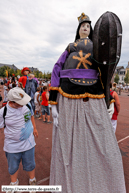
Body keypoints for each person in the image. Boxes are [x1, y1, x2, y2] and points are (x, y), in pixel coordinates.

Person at [49, 13, 126, 192]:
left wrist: (109, 100)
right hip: (69, 92)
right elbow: (56, 68)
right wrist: (53, 103)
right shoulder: (70, 47)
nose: (86, 28)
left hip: (95, 93)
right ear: (78, 29)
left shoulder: (98, 48)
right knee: (69, 139)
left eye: (88, 26)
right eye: (83, 25)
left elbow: (105, 71)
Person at [0, 87, 38, 193]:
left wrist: (34, 128)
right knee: (13, 167)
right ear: (12, 102)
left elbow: (31, 116)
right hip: (12, 145)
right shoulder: (3, 112)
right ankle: (14, 183)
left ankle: (32, 180)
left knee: (30, 164)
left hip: (28, 143)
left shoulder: (27, 105)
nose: (23, 103)